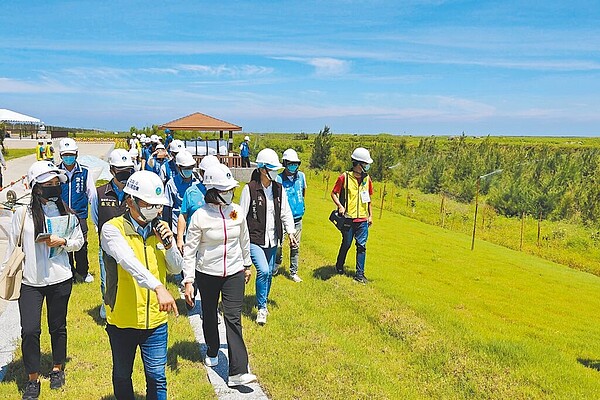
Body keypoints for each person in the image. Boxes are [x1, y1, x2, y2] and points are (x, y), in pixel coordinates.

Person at [0, 161, 84, 400]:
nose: (53, 187)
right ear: (36, 187)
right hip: (30, 281)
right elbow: (13, 245)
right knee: (30, 330)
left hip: (60, 279)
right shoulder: (22, 213)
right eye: (47, 184)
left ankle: (57, 368)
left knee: (58, 327)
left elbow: (78, 240)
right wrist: (6, 271)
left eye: (56, 183)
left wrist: (63, 242)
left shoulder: (65, 212)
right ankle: (32, 378)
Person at [100, 170, 182, 400]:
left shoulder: (159, 229)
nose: (155, 209)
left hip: (155, 320)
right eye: (149, 203)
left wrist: (169, 245)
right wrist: (158, 287)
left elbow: (176, 268)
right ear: (130, 201)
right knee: (122, 374)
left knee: (157, 376)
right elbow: (128, 261)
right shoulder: (112, 229)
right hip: (123, 319)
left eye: (158, 205)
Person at [183, 164, 257, 387]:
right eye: (224, 190)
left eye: (230, 189)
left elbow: (244, 238)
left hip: (234, 271)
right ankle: (212, 349)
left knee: (233, 317)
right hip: (207, 273)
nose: (229, 193)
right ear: (213, 191)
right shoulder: (200, 216)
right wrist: (188, 280)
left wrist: (247, 264)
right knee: (209, 313)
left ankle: (237, 371)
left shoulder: (236, 211)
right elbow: (190, 250)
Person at [240, 148, 296, 325]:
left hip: (273, 239)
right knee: (263, 270)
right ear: (263, 169)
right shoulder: (249, 189)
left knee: (270, 272)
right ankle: (262, 307)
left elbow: (285, 213)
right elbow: (241, 217)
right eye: (272, 169)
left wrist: (291, 232)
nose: (275, 172)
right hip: (255, 239)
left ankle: (262, 300)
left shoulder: (279, 188)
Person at [91, 149, 135, 320]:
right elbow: (96, 218)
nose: (125, 174)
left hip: (131, 245)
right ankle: (108, 304)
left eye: (128, 171)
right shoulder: (100, 192)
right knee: (107, 279)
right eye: (120, 171)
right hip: (107, 247)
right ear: (111, 170)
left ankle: (126, 305)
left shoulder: (135, 193)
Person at [330, 147, 374, 284]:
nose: (367, 166)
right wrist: (340, 206)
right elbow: (333, 193)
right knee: (347, 243)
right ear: (357, 163)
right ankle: (339, 265)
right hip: (348, 219)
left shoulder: (368, 180)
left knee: (361, 246)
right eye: (365, 164)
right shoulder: (344, 177)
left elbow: (369, 199)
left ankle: (360, 274)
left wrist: (370, 215)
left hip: (362, 220)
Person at [57, 138, 97, 283]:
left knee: (81, 244)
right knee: (64, 244)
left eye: (71, 154)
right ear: (61, 155)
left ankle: (83, 271)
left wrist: (95, 217)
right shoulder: (56, 172)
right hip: (61, 216)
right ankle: (69, 272)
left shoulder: (84, 172)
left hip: (80, 215)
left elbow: (92, 194)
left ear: (76, 154)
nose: (68, 157)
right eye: (65, 155)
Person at [176, 154, 220, 253]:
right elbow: (183, 215)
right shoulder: (191, 192)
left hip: (216, 244)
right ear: (201, 172)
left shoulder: (222, 193)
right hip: (193, 242)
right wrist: (179, 239)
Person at [275, 149, 307, 282]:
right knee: (278, 244)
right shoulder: (278, 178)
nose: (293, 167)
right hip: (282, 217)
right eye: (291, 164)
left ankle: (293, 271)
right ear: (285, 163)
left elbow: (303, 191)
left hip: (297, 217)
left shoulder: (301, 176)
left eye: (296, 164)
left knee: (295, 245)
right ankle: (276, 263)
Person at [163, 150, 198, 233]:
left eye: (191, 167)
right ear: (178, 167)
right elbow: (167, 208)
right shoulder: (171, 184)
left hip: (196, 226)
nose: (189, 170)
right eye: (186, 168)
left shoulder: (197, 181)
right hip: (178, 228)